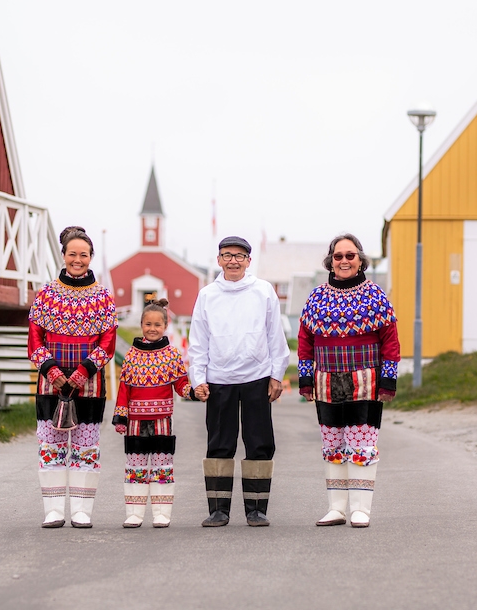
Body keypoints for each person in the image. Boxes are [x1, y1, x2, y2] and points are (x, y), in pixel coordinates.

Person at [297, 233, 400, 528]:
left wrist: (388, 380)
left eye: (350, 256)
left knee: (362, 444)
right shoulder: (316, 297)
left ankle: (360, 509)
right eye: (338, 256)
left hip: (365, 379)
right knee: (332, 444)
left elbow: (391, 342)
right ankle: (337, 508)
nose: (344, 261)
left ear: (360, 260)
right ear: (330, 261)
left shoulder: (376, 296)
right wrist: (305, 377)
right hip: (326, 380)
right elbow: (305, 339)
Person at [188, 235, 290, 527]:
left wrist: (276, 375)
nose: (233, 260)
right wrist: (199, 378)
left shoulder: (263, 291)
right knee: (219, 443)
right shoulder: (208, 294)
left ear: (248, 260)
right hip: (219, 378)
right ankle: (218, 510)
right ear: (218, 260)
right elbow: (198, 341)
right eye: (227, 255)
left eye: (239, 255)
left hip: (256, 377)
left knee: (259, 442)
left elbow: (275, 336)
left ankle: (256, 510)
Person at [27, 226, 118, 528]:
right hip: (49, 385)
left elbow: (108, 342)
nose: (77, 259)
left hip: (89, 386)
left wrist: (80, 374)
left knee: (85, 448)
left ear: (91, 257)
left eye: (83, 254)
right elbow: (34, 340)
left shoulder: (103, 297)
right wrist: (53, 372)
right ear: (63, 255)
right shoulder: (46, 294)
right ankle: (53, 510)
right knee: (51, 446)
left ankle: (81, 511)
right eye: (72, 254)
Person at [111, 298, 191, 528]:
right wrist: (121, 417)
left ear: (165, 326)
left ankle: (161, 514)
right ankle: (134, 514)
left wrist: (193, 392)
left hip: (162, 421)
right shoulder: (132, 355)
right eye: (148, 324)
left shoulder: (172, 355)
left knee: (162, 467)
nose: (152, 329)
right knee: (135, 467)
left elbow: (180, 384)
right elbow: (124, 388)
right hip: (135, 422)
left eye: (157, 324)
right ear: (141, 325)